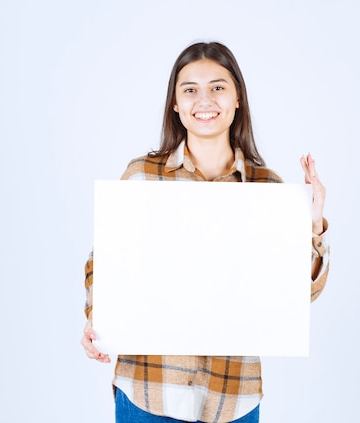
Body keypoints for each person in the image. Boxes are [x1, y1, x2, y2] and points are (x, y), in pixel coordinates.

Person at [81, 41, 330, 423]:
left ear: (237, 99)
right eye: (190, 89)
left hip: (232, 395)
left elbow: (297, 296)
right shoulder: (142, 176)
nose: (204, 100)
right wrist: (99, 321)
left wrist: (312, 224)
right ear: (176, 105)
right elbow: (103, 266)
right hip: (149, 390)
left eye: (218, 87)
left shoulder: (270, 189)